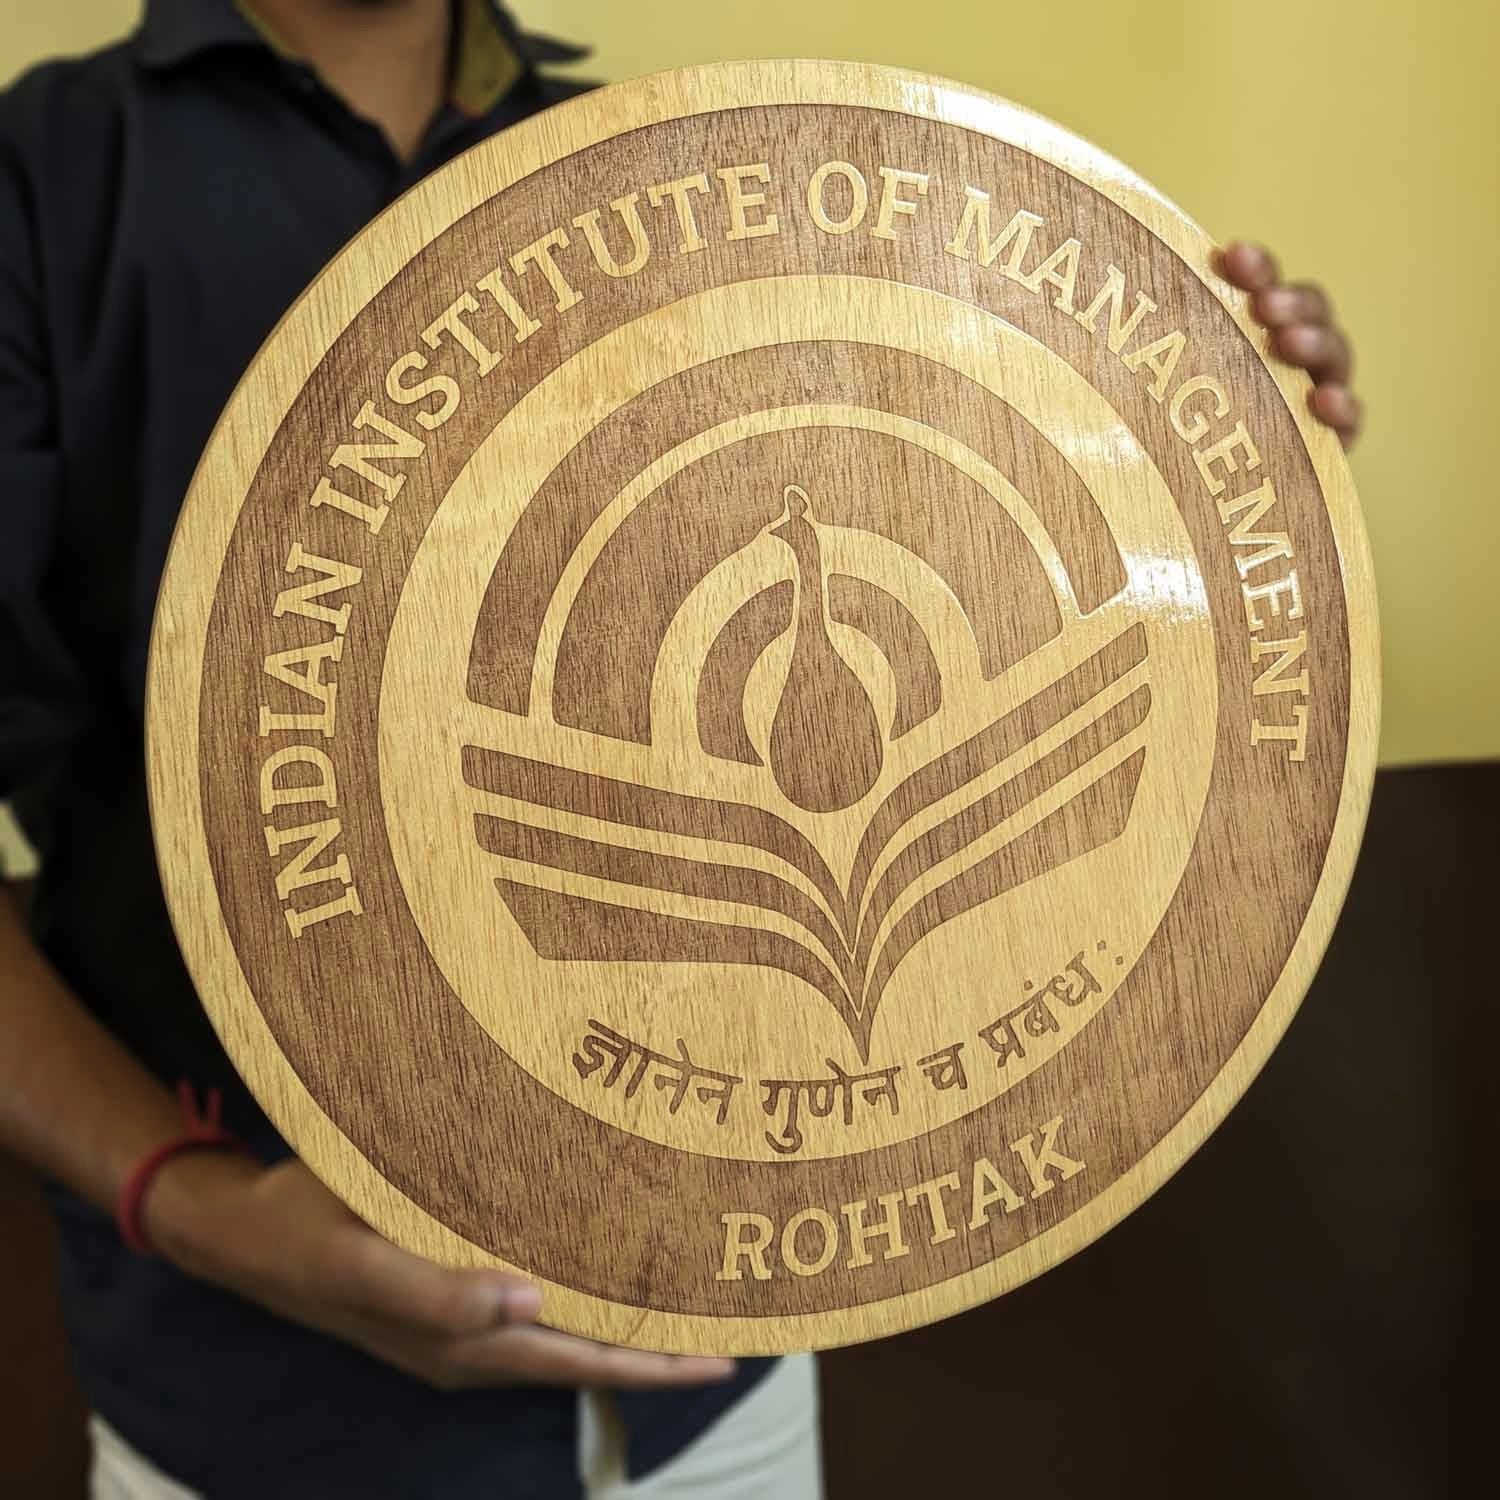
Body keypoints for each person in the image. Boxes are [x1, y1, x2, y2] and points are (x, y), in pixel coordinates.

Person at [0, 2, 1362, 1496]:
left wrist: (1221, 446)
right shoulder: (45, 184)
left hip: (725, 1385)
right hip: (266, 1412)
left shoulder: (654, 167)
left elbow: (943, 506)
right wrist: (193, 1203)